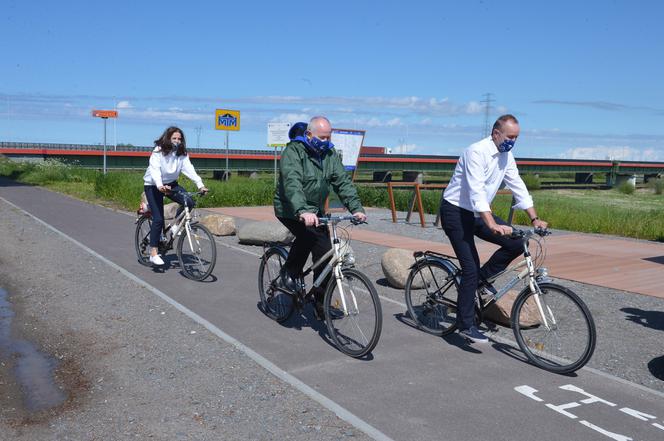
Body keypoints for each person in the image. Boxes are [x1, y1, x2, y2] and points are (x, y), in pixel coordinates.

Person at [441, 114, 548, 343]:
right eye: (510, 136)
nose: (513, 141)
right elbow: (476, 191)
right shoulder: (476, 152)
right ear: (496, 133)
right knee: (470, 267)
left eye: (516, 137)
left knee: (517, 243)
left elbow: (517, 184)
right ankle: (465, 324)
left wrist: (534, 218)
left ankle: (479, 283)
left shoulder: (506, 156)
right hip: (456, 212)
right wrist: (491, 223)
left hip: (478, 213)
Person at [274, 116, 367, 319]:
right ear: (309, 134)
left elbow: (342, 182)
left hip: (315, 212)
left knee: (325, 253)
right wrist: (302, 211)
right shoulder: (293, 152)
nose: (326, 141)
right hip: (290, 208)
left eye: (328, 136)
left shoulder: (329, 153)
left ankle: (320, 304)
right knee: (307, 237)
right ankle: (288, 272)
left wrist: (356, 209)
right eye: (322, 137)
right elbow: (292, 182)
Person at [143, 126, 208, 266]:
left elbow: (189, 169)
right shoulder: (158, 151)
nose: (177, 141)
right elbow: (155, 170)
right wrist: (160, 185)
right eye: (174, 138)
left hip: (171, 184)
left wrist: (200, 185)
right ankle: (153, 253)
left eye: (179, 139)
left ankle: (175, 226)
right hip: (153, 185)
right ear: (168, 138)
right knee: (159, 220)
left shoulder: (181, 153)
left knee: (189, 201)